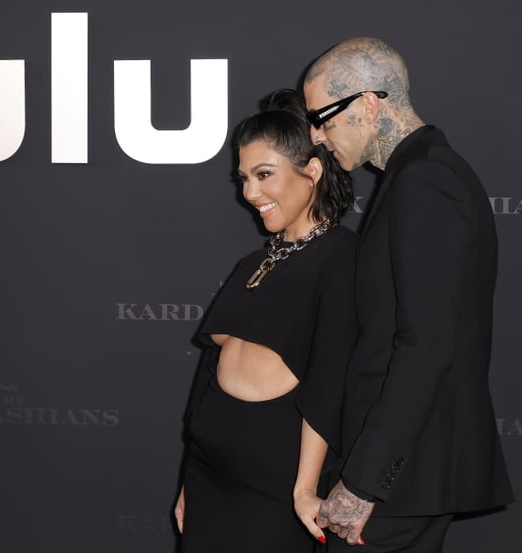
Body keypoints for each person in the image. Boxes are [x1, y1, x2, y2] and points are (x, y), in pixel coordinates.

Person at [302, 37, 515, 552]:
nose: (316, 136)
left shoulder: (427, 181)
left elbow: (427, 346)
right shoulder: (414, 176)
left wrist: (363, 483)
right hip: (401, 474)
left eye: (323, 117)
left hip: (399, 481)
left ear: (369, 104)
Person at [173, 88, 358, 553]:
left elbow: (329, 378)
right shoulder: (254, 261)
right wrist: (186, 480)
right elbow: (208, 371)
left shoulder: (341, 256)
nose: (250, 193)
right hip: (206, 475)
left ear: (311, 171)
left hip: (272, 487)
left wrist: (304, 487)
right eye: (243, 178)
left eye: (263, 175)